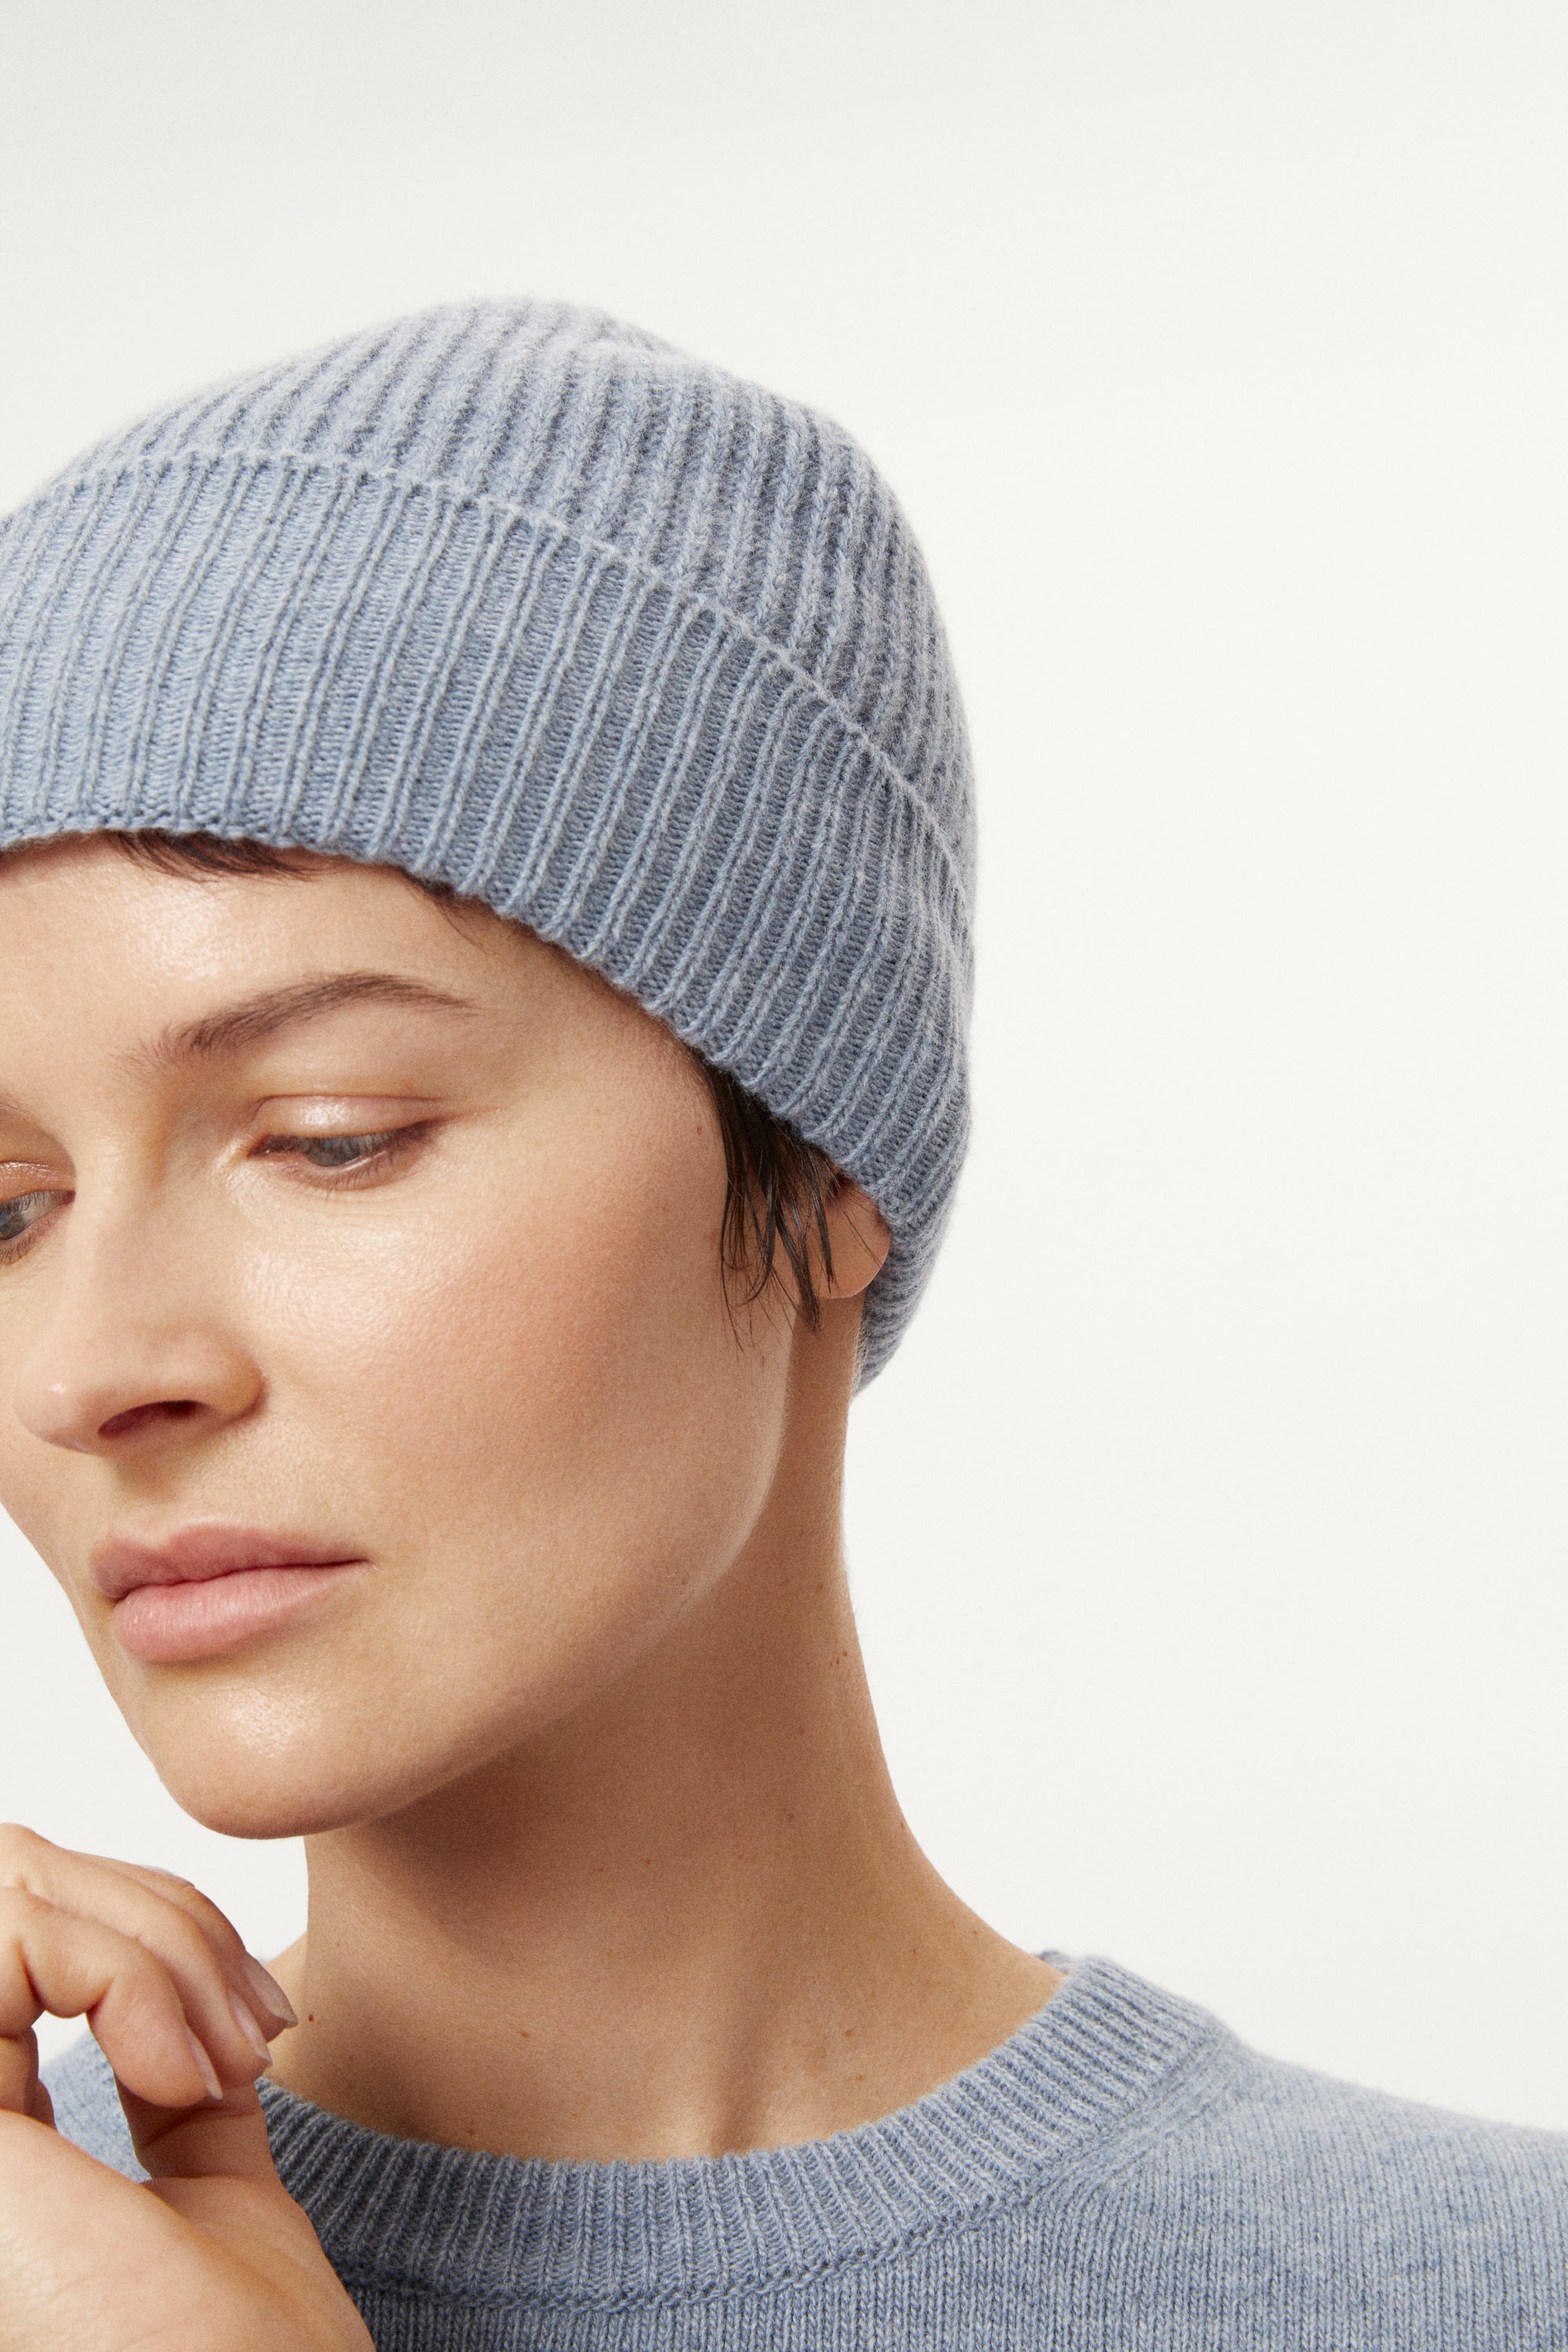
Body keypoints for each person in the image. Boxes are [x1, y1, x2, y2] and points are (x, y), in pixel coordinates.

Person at [0, 300, 1561, 2352]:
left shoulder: (1468, 2293)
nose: (93, 1366)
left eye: (332, 1138)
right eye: (8, 1207)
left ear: (827, 1171)